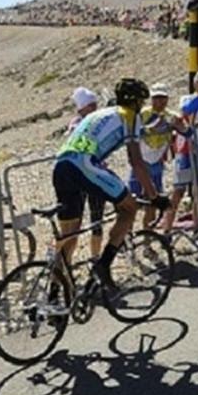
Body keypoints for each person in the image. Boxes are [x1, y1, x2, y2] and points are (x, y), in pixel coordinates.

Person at [52, 78, 169, 291]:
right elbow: (136, 161)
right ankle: (104, 265)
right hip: (85, 164)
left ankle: (53, 298)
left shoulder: (101, 113)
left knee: (69, 237)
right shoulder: (129, 116)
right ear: (135, 102)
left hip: (61, 165)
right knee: (129, 208)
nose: (142, 106)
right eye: (142, 102)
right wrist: (154, 196)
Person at [156, 72, 198, 234]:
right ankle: (167, 229)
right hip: (186, 151)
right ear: (197, 84)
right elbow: (186, 109)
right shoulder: (187, 99)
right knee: (178, 191)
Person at [128, 83, 177, 229]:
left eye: (162, 98)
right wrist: (149, 129)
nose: (159, 101)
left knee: (152, 204)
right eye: (156, 98)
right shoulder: (142, 114)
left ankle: (147, 243)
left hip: (156, 163)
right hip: (140, 162)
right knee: (132, 202)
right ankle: (126, 238)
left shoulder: (170, 116)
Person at [68, 87, 105, 260]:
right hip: (82, 178)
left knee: (97, 221)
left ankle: (95, 258)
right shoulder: (77, 124)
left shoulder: (94, 122)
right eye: (92, 106)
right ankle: (65, 262)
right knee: (75, 223)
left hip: (94, 175)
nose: (95, 109)